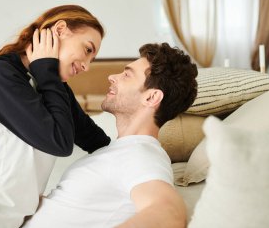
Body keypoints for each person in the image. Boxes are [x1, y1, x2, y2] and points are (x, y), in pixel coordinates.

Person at [0, 5, 111, 228]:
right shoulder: (1, 73)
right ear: (61, 30)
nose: (86, 66)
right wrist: (47, 72)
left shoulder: (53, 85)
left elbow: (95, 140)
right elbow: (59, 143)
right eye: (88, 50)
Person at [22, 42, 198, 228]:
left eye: (127, 75)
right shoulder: (119, 150)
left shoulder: (141, 155)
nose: (112, 76)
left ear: (151, 98)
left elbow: (169, 213)